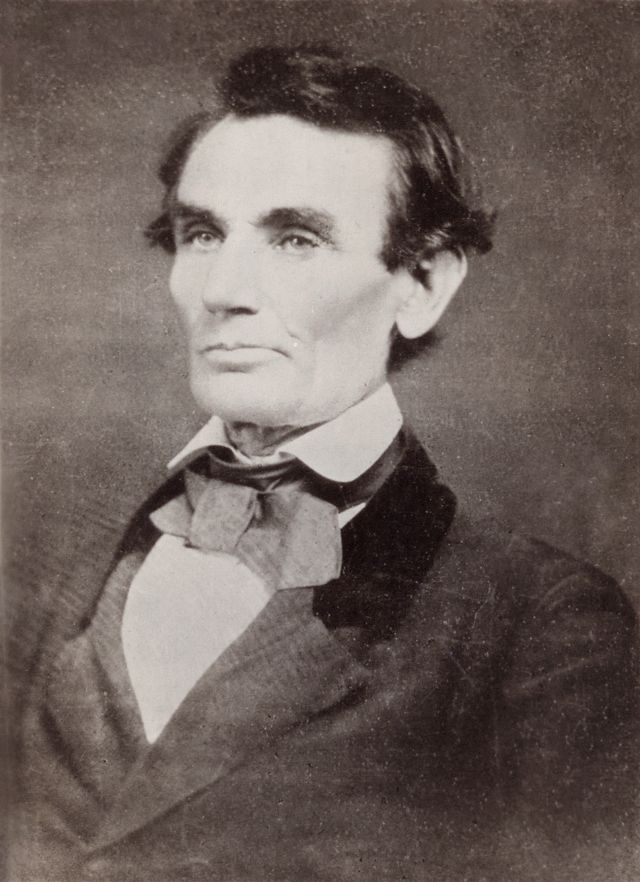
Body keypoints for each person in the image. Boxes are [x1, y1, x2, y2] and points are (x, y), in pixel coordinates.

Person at [10, 45, 638, 882]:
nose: (223, 289)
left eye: (296, 240)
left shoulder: (537, 622)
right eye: (202, 234)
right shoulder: (54, 569)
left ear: (422, 284)